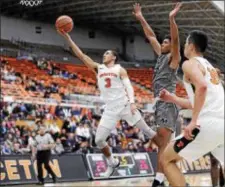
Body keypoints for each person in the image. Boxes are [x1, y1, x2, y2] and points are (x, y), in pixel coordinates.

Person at [57, 29, 158, 178]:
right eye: (104, 54)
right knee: (98, 140)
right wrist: (68, 38)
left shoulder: (119, 69)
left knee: (148, 132)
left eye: (107, 53)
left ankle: (167, 148)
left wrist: (132, 102)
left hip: (125, 106)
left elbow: (129, 86)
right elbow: (81, 55)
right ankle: (112, 162)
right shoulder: (99, 68)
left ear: (114, 57)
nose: (104, 55)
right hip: (110, 110)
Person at [159, 30, 224, 187]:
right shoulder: (211, 68)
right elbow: (198, 101)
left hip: (207, 124)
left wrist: (194, 121)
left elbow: (201, 87)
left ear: (191, 46)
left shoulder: (189, 64)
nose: (184, 47)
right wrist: (172, 98)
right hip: (222, 124)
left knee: (166, 159)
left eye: (186, 43)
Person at [133, 3, 181, 186]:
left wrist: (171, 19)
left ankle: (158, 180)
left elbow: (176, 41)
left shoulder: (173, 59)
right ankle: (171, 175)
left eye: (166, 42)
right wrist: (140, 17)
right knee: (164, 144)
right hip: (159, 104)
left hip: (167, 104)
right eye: (163, 42)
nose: (163, 43)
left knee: (162, 142)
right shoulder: (161, 55)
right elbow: (151, 35)